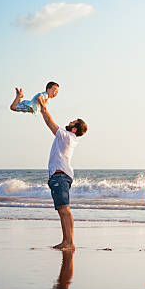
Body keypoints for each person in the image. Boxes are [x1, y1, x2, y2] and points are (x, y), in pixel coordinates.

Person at [32, 91, 87, 250]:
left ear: (75, 129)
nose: (70, 122)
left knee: (65, 209)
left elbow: (50, 123)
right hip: (59, 177)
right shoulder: (67, 137)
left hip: (61, 176)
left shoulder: (67, 136)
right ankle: (66, 241)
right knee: (62, 210)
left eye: (73, 122)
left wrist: (43, 106)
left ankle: (69, 242)